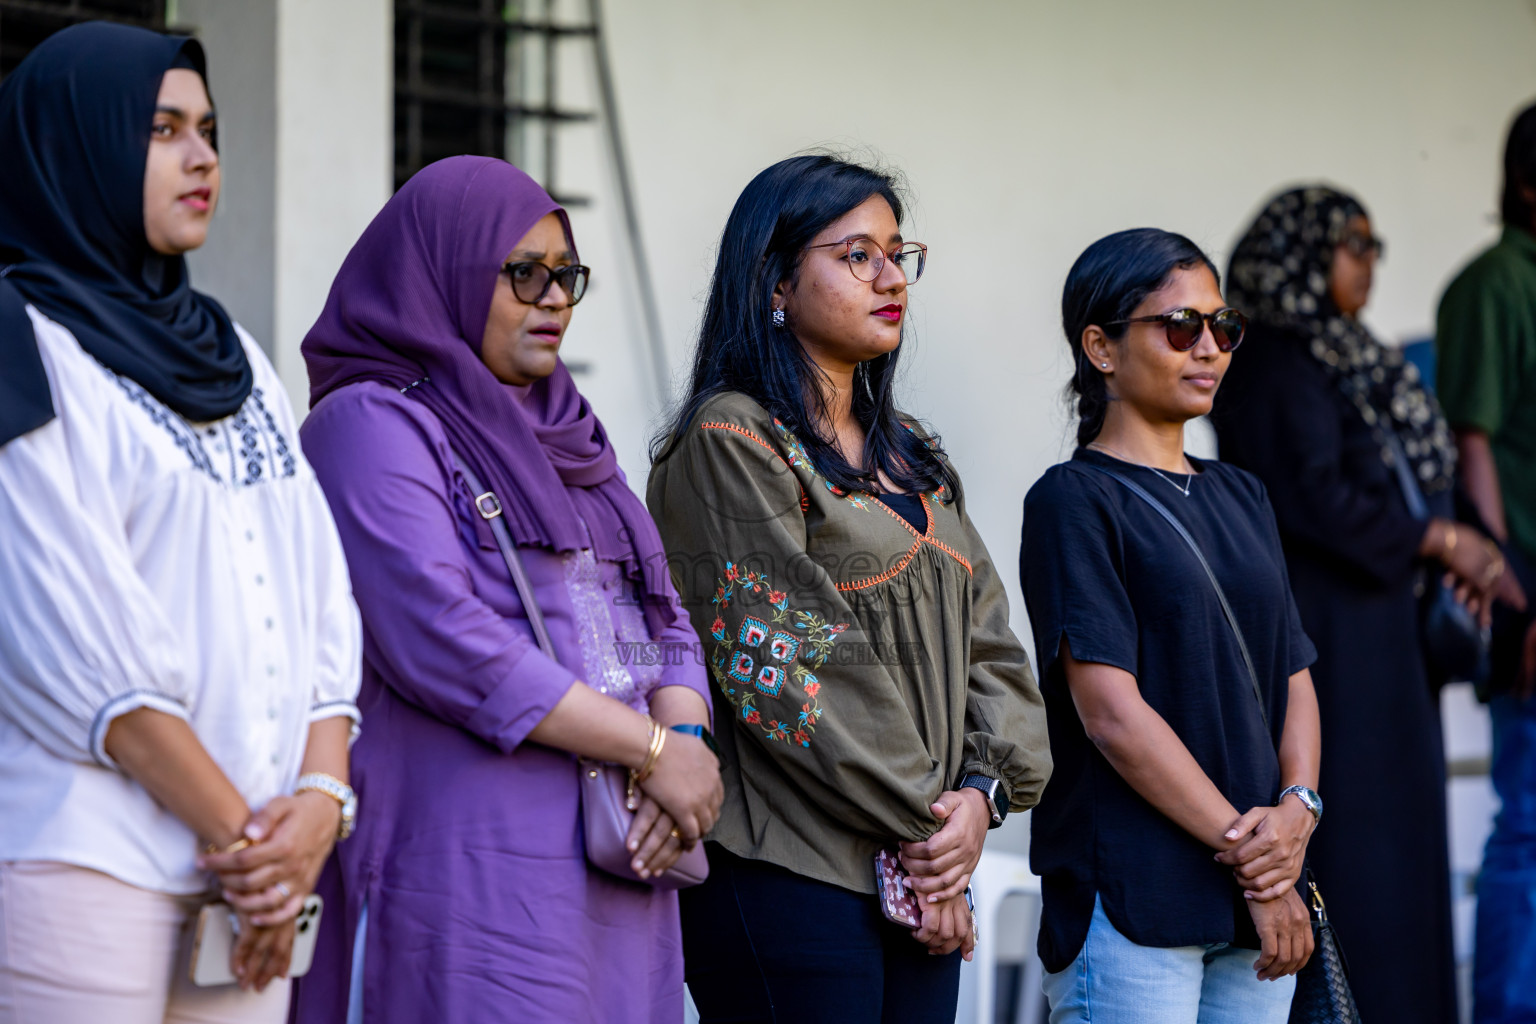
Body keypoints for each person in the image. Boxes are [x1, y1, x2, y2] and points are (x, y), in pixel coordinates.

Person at [288, 155, 723, 1024]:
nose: (554, 297)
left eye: (567, 276)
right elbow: (439, 635)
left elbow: (663, 611)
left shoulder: (570, 431)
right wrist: (650, 751)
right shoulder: (370, 422)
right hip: (478, 859)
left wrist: (686, 740)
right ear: (443, 271)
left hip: (625, 848)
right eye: (524, 273)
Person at [0, 22, 361, 1023]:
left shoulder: (233, 355)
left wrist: (320, 808)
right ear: (80, 144)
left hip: (249, 870)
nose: (204, 156)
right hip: (88, 856)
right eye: (163, 130)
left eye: (208, 128)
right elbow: (69, 635)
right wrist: (259, 850)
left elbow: (320, 599)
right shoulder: (21, 341)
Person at [647, 154, 1050, 1024]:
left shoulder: (913, 454)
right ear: (776, 281)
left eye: (898, 254)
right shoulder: (733, 438)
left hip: (920, 870)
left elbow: (993, 649)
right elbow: (791, 664)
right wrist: (930, 830)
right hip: (790, 870)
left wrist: (979, 802)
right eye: (856, 254)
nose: (888, 277)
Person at [1211, 185, 1519, 1022]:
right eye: (1354, 243)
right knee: (1361, 857)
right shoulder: (1273, 357)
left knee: (1404, 854)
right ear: (1304, 254)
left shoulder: (1346, 351)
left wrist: (1450, 541)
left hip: (1387, 643)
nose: (1370, 261)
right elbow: (1306, 496)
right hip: (1331, 645)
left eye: (1375, 244)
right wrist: (1437, 542)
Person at [1021, 228, 1322, 1023]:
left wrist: (1299, 808)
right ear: (1102, 347)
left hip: (1254, 900)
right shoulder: (1072, 501)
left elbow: (1294, 676)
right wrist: (1262, 862)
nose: (1210, 349)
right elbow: (1110, 715)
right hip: (1138, 898)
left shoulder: (1244, 494)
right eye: (1181, 327)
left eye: (1224, 327)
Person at [1436, 100, 1536, 1024]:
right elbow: (1473, 447)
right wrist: (1511, 592)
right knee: (1532, 817)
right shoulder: (1496, 283)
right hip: (1531, 591)